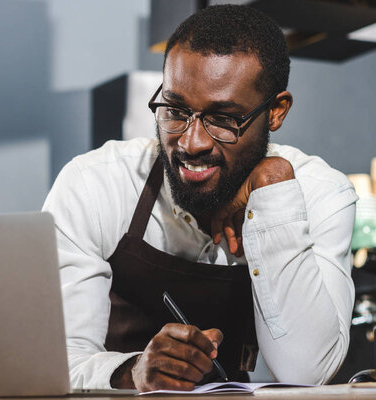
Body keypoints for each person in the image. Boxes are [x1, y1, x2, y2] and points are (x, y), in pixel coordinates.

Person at [42, 4, 357, 392]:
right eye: (174, 110)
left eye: (224, 119)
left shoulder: (320, 193)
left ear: (276, 112)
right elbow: (53, 364)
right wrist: (133, 371)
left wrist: (273, 189)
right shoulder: (95, 185)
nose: (191, 143)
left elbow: (309, 372)